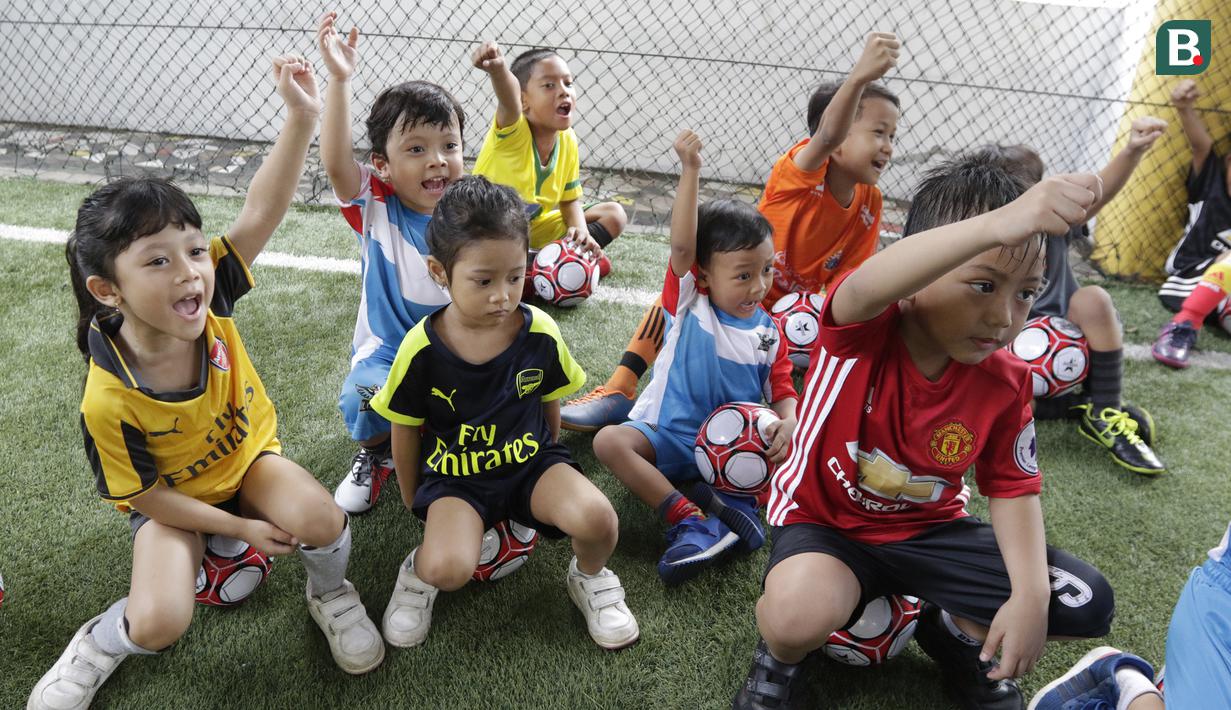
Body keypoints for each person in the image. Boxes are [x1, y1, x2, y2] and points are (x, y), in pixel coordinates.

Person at [29, 57, 385, 710]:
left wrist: (301, 116)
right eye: (157, 262)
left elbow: (262, 207)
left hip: (248, 463)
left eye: (193, 250)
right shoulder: (108, 397)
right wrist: (237, 529)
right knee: (162, 621)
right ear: (108, 290)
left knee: (322, 519)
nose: (190, 272)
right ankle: (100, 643)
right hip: (173, 501)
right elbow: (151, 498)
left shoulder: (211, 292)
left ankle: (330, 592)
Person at [735, 152, 1115, 709]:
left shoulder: (1007, 381)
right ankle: (779, 663)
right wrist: (994, 226)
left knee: (1084, 601)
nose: (1005, 317)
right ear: (917, 277)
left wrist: (1030, 594)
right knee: (796, 616)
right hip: (830, 526)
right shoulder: (864, 328)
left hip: (930, 534)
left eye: (1026, 293)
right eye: (983, 285)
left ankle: (955, 635)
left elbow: (1013, 488)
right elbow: (868, 285)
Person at [560, 32, 900, 432]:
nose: (889, 147)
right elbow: (825, 137)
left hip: (784, 317)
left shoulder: (870, 204)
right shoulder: (801, 173)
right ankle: (620, 386)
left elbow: (850, 281)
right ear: (839, 138)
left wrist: (817, 316)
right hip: (729, 289)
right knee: (681, 291)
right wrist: (859, 77)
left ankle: (807, 423)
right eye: (879, 133)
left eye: (892, 136)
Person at [368, 175, 639, 651]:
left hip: (530, 465)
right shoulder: (421, 350)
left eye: (515, 276)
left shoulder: (539, 331)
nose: (503, 295)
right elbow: (405, 431)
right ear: (439, 271)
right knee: (448, 569)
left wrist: (552, 462)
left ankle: (589, 576)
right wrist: (419, 505)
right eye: (484, 280)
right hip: (457, 480)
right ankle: (417, 570)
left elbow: (549, 402)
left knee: (600, 520)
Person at [593, 131, 798, 585]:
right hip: (671, 434)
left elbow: (782, 391)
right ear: (705, 273)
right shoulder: (690, 303)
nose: (759, 286)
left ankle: (727, 513)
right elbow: (683, 249)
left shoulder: (769, 331)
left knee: (783, 455)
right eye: (743, 275)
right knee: (609, 442)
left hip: (734, 448)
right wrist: (691, 170)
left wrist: (789, 422)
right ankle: (686, 514)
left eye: (766, 270)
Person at [317, 12, 466, 514]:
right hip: (385, 351)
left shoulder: (473, 211)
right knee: (366, 395)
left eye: (449, 146)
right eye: (417, 149)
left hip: (459, 349)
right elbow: (336, 162)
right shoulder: (375, 206)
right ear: (382, 165)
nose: (437, 160)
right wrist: (339, 79)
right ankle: (376, 452)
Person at [987, 127, 1168, 475]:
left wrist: (1132, 150)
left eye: (1028, 191)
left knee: (1093, 299)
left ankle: (1103, 409)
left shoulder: (1055, 223)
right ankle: (1070, 407)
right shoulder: (986, 236)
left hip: (1068, 337)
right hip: (1010, 346)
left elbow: (1099, 191)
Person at [470, 41, 626, 269]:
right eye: (549, 85)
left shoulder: (567, 139)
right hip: (486, 231)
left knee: (614, 214)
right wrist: (498, 70)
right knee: (496, 245)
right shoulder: (513, 131)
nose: (563, 90)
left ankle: (563, 261)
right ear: (524, 100)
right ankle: (534, 270)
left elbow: (569, 200)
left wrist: (582, 234)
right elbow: (508, 98)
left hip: (530, 230)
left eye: (568, 83)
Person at [1153, 79, 1231, 369]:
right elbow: (1201, 145)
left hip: (1223, 301)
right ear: (1227, 163)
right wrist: (1183, 107)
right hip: (1187, 279)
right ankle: (1182, 326)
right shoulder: (1211, 186)